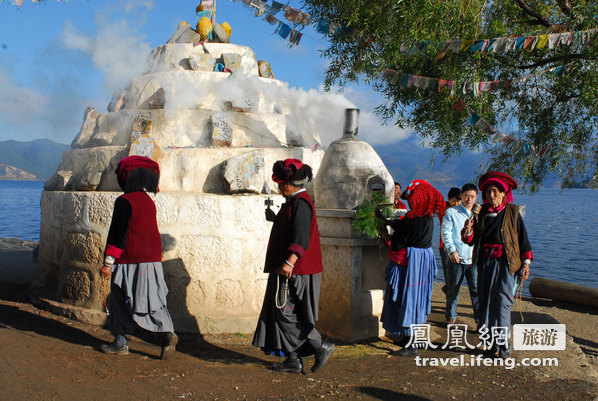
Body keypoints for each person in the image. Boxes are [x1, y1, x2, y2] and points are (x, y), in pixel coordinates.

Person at [252, 159, 334, 374]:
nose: (280, 188)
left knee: (285, 312)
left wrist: (290, 262)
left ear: (292, 183)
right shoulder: (293, 203)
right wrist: (275, 219)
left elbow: (301, 236)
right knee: (284, 310)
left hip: (296, 268)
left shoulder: (301, 203)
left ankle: (319, 345)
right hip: (287, 267)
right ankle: (293, 360)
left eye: (282, 184)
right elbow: (291, 228)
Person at [99, 156, 178, 359]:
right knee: (152, 300)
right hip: (151, 260)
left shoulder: (124, 201)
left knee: (117, 299)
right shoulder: (148, 201)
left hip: (129, 259)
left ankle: (121, 342)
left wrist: (108, 263)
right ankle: (167, 334)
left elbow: (118, 233)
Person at [463, 171, 533, 358]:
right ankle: (492, 344)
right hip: (485, 263)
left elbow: (523, 241)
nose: (490, 196)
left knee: (502, 303)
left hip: (505, 264)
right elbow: (472, 240)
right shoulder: (481, 214)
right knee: (486, 302)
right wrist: (468, 229)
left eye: (494, 191)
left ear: (503, 193)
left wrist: (525, 264)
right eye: (487, 192)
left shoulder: (513, 213)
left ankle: (504, 344)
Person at [380, 179, 445, 356]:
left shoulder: (412, 220)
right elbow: (402, 226)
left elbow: (396, 243)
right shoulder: (428, 219)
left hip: (408, 267)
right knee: (415, 300)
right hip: (420, 266)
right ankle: (407, 336)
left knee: (405, 299)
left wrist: (385, 235)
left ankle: (411, 344)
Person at [441, 183, 480, 328]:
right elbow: (446, 233)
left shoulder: (479, 214)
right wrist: (452, 251)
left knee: (476, 291)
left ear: (476, 197)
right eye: (466, 196)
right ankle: (450, 316)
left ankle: (479, 319)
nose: (469, 199)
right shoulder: (452, 212)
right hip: (457, 257)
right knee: (453, 288)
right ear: (461, 196)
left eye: (472, 196)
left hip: (474, 259)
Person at [439, 187, 461, 293]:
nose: (456, 204)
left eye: (458, 201)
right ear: (448, 199)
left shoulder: (461, 210)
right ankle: (449, 294)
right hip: (444, 245)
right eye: (453, 201)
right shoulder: (443, 208)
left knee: (456, 274)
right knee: (448, 273)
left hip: (458, 246)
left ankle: (448, 290)